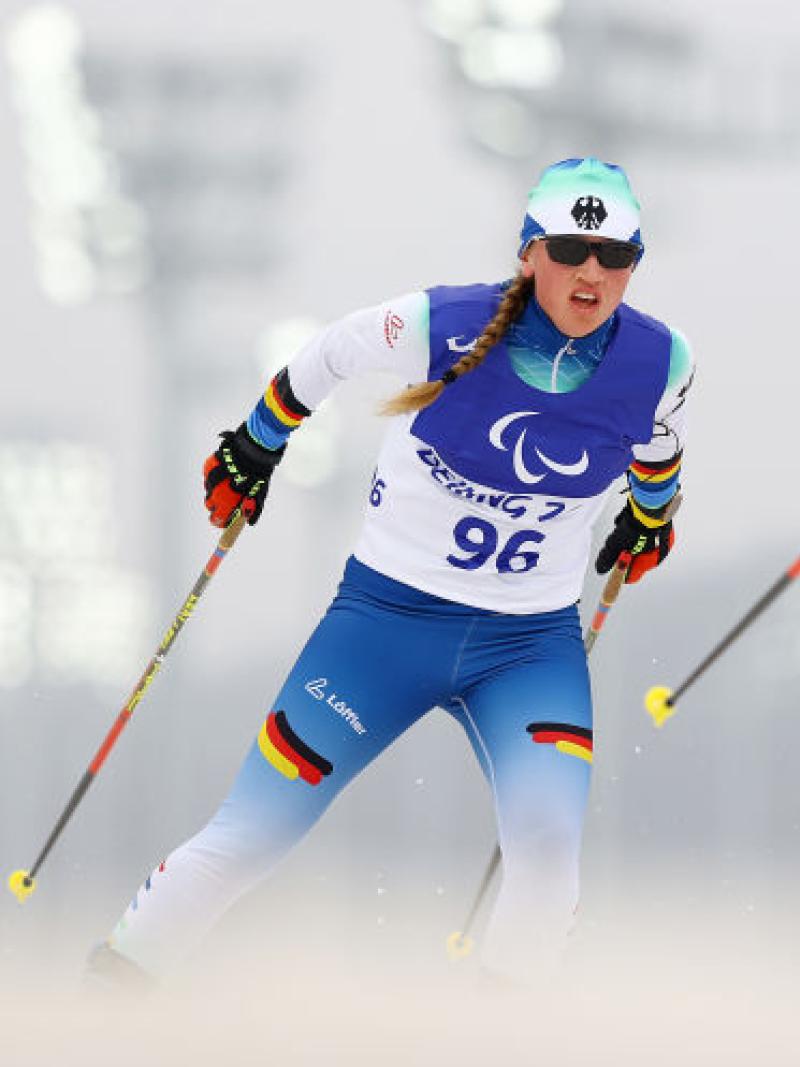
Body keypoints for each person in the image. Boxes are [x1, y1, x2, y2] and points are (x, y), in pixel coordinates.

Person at [88, 157, 693, 987]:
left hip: (528, 648)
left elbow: (657, 445)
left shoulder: (662, 358)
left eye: (614, 255)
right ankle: (110, 995)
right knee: (254, 832)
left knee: (549, 860)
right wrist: (259, 440)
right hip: (384, 627)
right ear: (528, 254)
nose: (591, 271)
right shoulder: (444, 323)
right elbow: (332, 351)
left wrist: (651, 516)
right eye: (569, 247)